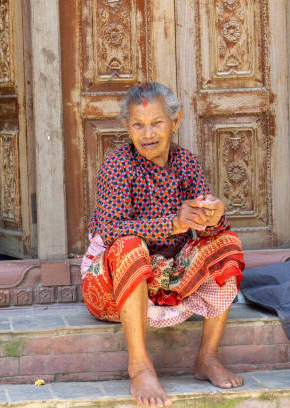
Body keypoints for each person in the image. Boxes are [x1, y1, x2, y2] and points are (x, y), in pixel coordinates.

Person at [80, 82, 246, 407]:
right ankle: (139, 365)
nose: (147, 133)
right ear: (127, 127)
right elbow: (112, 231)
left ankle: (207, 358)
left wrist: (214, 214)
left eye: (156, 122)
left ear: (175, 121)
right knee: (130, 246)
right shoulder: (117, 166)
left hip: (169, 281)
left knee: (226, 243)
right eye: (138, 125)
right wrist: (173, 223)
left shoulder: (187, 164)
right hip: (114, 287)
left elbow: (209, 227)